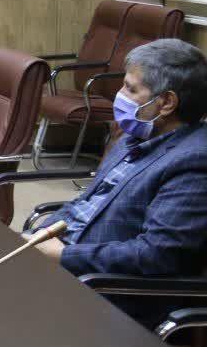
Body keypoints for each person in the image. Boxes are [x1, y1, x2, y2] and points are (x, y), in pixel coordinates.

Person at [28, 40, 207, 294]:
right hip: (67, 262)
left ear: (166, 102)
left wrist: (64, 255)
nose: (119, 96)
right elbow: (87, 203)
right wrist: (40, 234)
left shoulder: (194, 161)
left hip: (105, 288)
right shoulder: (133, 137)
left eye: (130, 89)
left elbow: (157, 254)